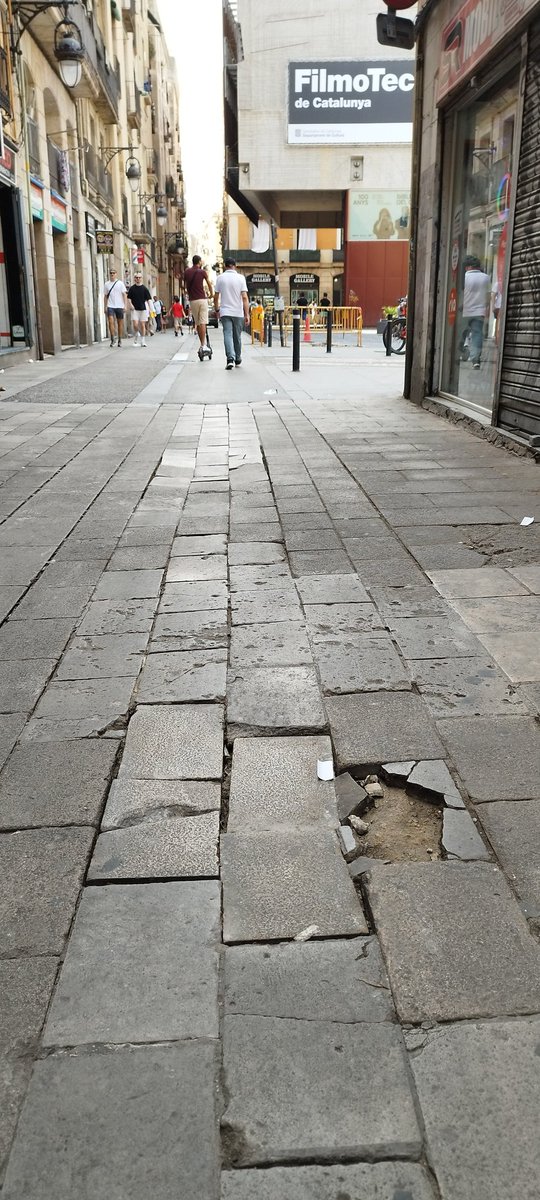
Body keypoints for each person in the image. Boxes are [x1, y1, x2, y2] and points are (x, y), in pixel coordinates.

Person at [214, 257, 249, 369]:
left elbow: (216, 297)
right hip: (238, 312)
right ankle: (237, 358)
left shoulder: (220, 278)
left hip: (225, 311)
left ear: (225, 265)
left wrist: (217, 310)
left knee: (227, 334)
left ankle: (230, 358)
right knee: (237, 336)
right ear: (235, 265)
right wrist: (247, 314)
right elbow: (244, 297)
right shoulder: (241, 278)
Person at [460, 255, 491, 369]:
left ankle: (462, 352)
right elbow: (488, 296)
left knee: (461, 334)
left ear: (468, 267)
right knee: (477, 334)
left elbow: (460, 294)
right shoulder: (486, 277)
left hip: (464, 311)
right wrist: (485, 307)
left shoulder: (464, 277)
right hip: (479, 311)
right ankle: (476, 360)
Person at [184, 254, 214, 361]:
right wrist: (211, 295)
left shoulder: (187, 272)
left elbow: (185, 286)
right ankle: (203, 345)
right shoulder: (202, 272)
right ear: (199, 262)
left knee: (198, 323)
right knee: (203, 322)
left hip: (193, 300)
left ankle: (202, 344)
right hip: (202, 299)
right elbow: (209, 284)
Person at [103, 266, 127, 348]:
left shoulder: (120, 283)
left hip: (119, 306)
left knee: (120, 323)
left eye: (113, 273)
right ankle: (113, 338)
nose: (112, 274)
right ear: (109, 274)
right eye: (111, 273)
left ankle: (120, 339)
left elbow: (124, 295)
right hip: (110, 306)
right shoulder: (106, 284)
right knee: (110, 321)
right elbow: (105, 296)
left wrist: (125, 305)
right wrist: (105, 306)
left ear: (116, 274)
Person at [127, 272, 152, 347]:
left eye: (139, 277)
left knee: (143, 325)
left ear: (141, 278)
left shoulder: (144, 289)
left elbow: (148, 300)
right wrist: (130, 305)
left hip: (143, 309)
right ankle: (137, 332)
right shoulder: (132, 288)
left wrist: (151, 309)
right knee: (135, 324)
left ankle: (143, 341)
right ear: (134, 279)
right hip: (134, 309)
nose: (138, 279)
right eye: (136, 277)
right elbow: (128, 298)